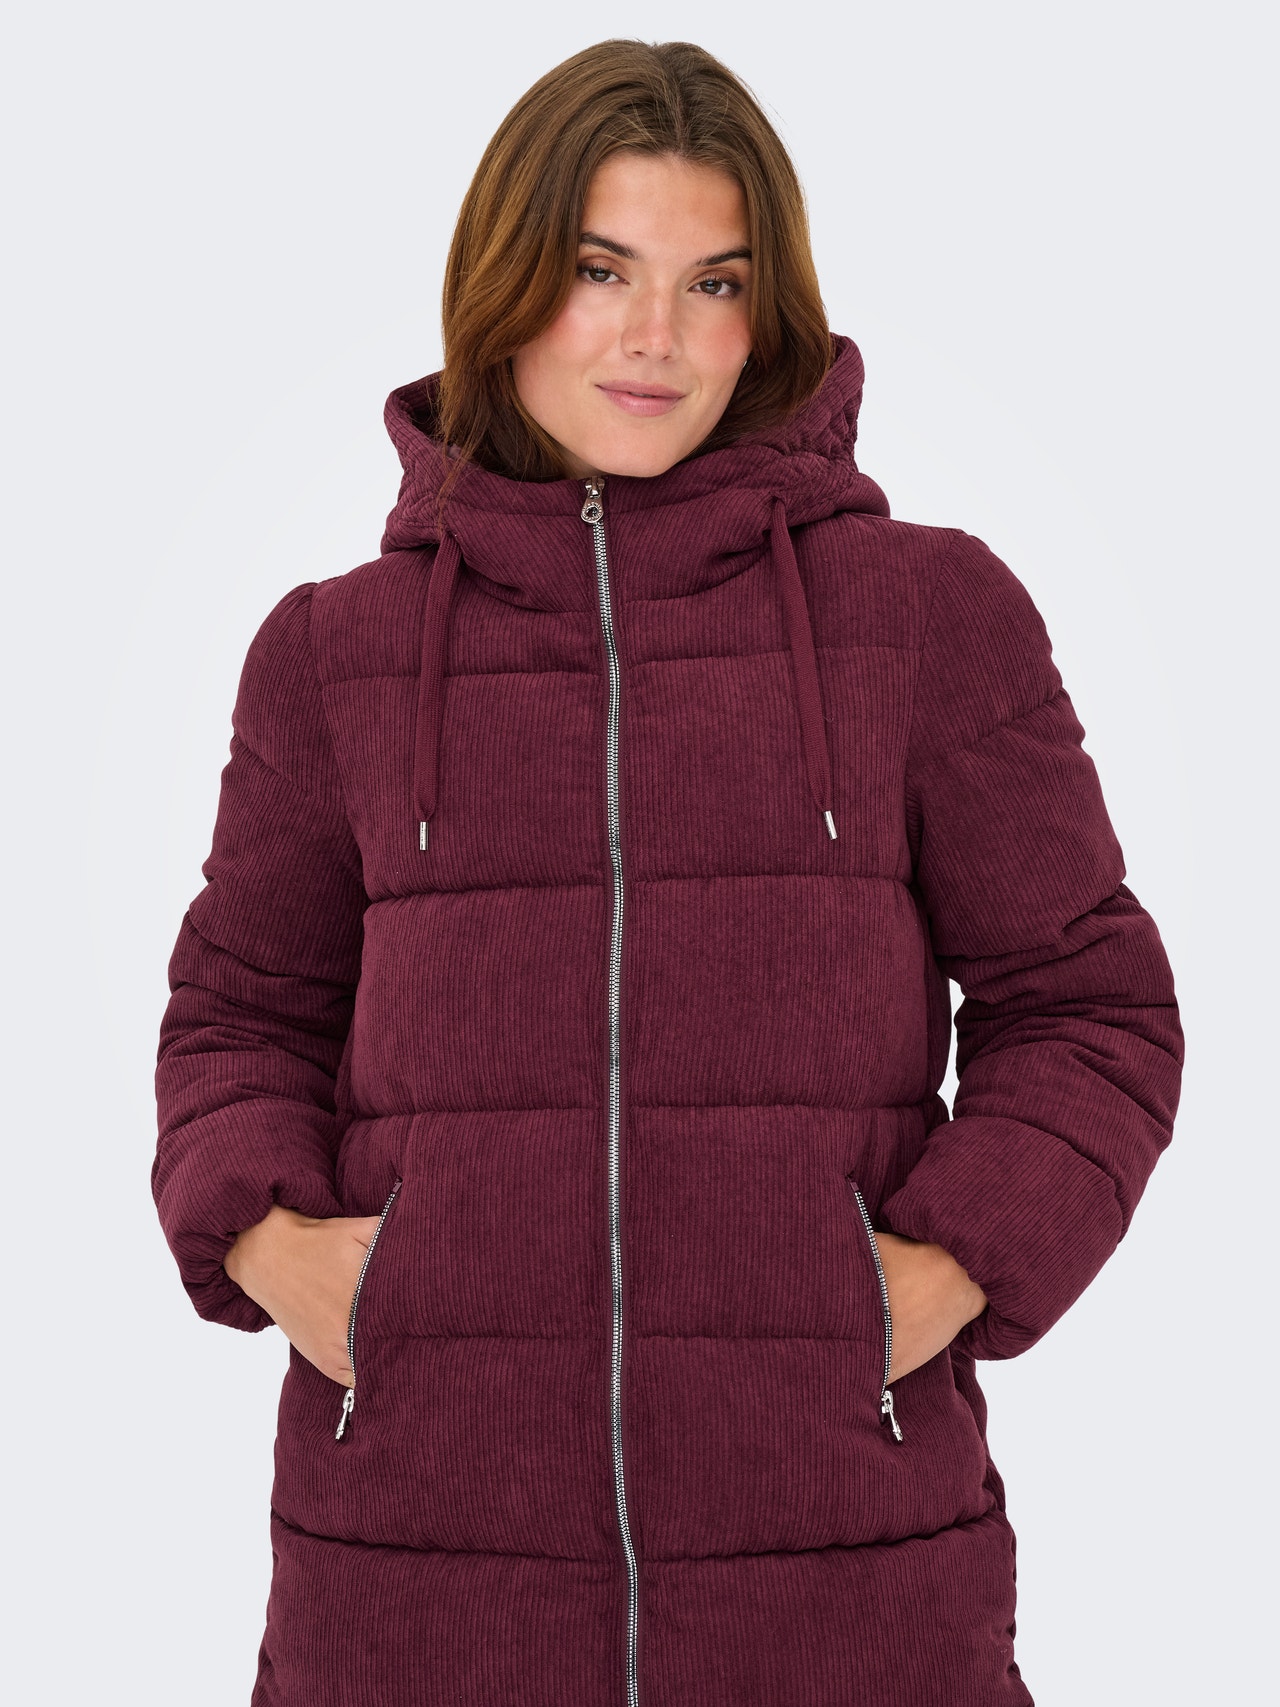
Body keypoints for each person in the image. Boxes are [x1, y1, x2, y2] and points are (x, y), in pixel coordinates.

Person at [152, 37, 1183, 1707]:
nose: (656, 337)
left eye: (714, 283)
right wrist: (274, 1241)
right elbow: (236, 1017)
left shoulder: (925, 620)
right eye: (600, 271)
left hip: (847, 1580)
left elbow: (1091, 1006)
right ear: (504, 287)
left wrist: (946, 1269)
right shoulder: (335, 656)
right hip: (417, 1581)